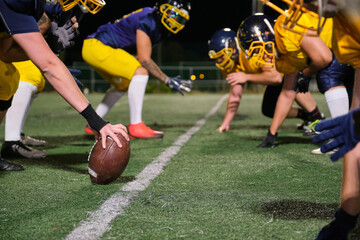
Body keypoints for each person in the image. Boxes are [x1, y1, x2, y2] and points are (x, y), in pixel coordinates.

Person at [0, 0, 128, 171]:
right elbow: (49, 66)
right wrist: (96, 120)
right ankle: (12, 141)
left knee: (6, 78)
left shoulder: (35, 5)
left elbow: (5, 52)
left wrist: (50, 46)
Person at [81, 0, 192, 139]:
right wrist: (166, 79)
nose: (175, 19)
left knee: (123, 85)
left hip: (95, 48)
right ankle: (136, 125)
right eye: (173, 13)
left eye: (180, 17)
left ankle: (93, 124)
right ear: (162, 8)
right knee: (141, 71)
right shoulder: (149, 19)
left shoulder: (155, 23)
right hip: (98, 47)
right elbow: (144, 59)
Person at [256, 1, 353, 148]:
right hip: (345, 44)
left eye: (257, 50)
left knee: (327, 73)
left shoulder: (286, 28)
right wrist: (272, 133)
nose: (261, 57)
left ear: (268, 34)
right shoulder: (285, 50)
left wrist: (306, 73)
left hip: (348, 41)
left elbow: (324, 57)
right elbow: (288, 92)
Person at [208, 20, 323, 133]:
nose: (219, 61)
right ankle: (306, 116)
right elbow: (235, 95)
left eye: (221, 56)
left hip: (288, 71)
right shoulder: (231, 65)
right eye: (216, 58)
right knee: (269, 110)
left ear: (233, 48)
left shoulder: (251, 52)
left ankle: (317, 117)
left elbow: (276, 77)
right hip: (278, 79)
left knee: (291, 85)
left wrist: (247, 77)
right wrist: (226, 123)